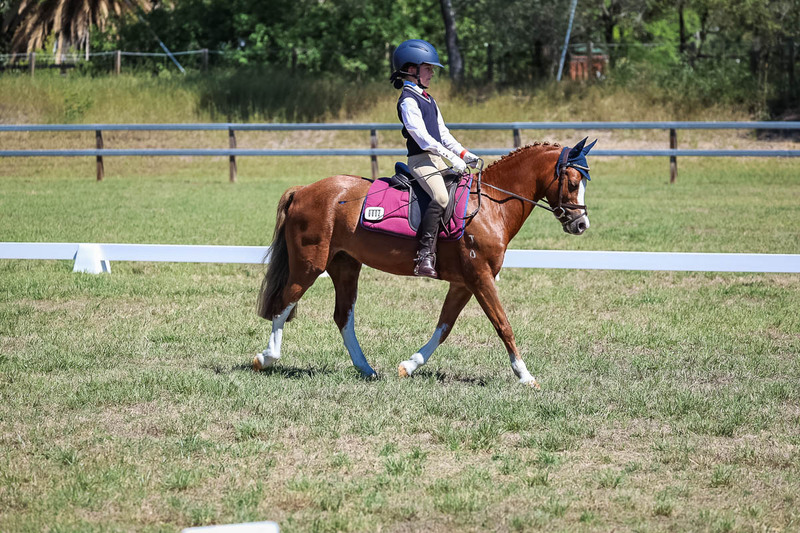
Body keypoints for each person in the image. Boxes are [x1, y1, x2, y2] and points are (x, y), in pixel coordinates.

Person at [390, 39, 479, 279]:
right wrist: (451, 158)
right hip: (420, 161)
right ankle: (424, 255)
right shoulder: (408, 100)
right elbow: (423, 139)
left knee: (463, 192)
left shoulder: (429, 99)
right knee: (440, 196)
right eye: (428, 68)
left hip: (438, 159)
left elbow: (443, 134)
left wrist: (463, 153)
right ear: (411, 69)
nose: (431, 73)